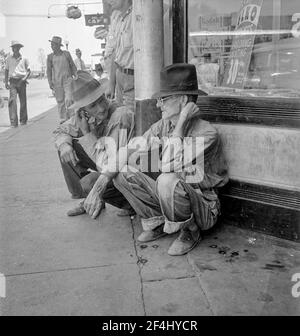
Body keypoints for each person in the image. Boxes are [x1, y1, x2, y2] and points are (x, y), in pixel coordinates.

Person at [85, 63, 228, 256]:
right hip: (171, 197)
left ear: (183, 100)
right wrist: (100, 183)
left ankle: (190, 231)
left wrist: (183, 119)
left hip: (203, 205)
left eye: (163, 99)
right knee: (122, 173)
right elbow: (129, 149)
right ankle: (160, 221)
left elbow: (170, 164)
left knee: (167, 179)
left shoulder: (206, 132)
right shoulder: (163, 125)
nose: (158, 104)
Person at [53, 71, 135, 218]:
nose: (102, 108)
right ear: (83, 110)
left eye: (101, 100)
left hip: (124, 171)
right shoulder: (86, 116)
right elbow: (61, 130)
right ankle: (87, 198)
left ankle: (132, 205)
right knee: (66, 148)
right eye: (93, 106)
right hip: (107, 164)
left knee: (89, 183)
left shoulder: (120, 114)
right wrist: (65, 145)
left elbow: (108, 164)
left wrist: (86, 133)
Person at [107, 0, 134, 110]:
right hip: (119, 76)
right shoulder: (115, 17)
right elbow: (114, 52)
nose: (109, 1)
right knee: (119, 115)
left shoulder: (138, 14)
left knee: (131, 117)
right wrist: (111, 84)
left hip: (134, 78)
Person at [47, 36, 78, 124]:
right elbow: (48, 71)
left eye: (53, 44)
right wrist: (50, 82)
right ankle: (63, 119)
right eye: (51, 44)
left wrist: (75, 74)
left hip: (68, 80)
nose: (52, 46)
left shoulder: (66, 54)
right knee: (60, 101)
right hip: (57, 82)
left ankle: (72, 118)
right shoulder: (50, 57)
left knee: (69, 99)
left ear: (58, 45)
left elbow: (72, 65)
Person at [5, 41, 31, 127]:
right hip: (12, 81)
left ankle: (23, 120)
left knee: (23, 101)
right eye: (13, 47)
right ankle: (13, 122)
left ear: (19, 48)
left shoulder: (24, 58)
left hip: (22, 81)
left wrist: (24, 79)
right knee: (12, 101)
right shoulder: (8, 58)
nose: (14, 49)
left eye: (16, 47)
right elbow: (6, 70)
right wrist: (6, 82)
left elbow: (28, 71)